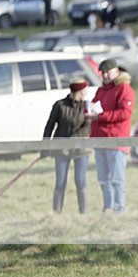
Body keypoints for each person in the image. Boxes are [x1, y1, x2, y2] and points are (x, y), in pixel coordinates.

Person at [87, 59, 134, 215]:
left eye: (108, 72)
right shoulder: (101, 91)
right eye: (103, 72)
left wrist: (101, 117)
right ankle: (108, 208)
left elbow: (124, 113)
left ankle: (119, 209)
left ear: (117, 71)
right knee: (103, 179)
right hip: (100, 140)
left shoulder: (124, 89)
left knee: (116, 179)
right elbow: (94, 106)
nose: (105, 75)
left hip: (116, 140)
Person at [42, 77, 92, 214]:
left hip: (81, 150)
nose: (85, 94)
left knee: (80, 181)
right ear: (77, 91)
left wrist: (72, 140)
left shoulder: (87, 106)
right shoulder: (59, 105)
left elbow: (87, 128)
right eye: (83, 91)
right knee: (60, 182)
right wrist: (45, 146)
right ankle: (56, 213)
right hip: (61, 150)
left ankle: (84, 213)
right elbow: (50, 126)